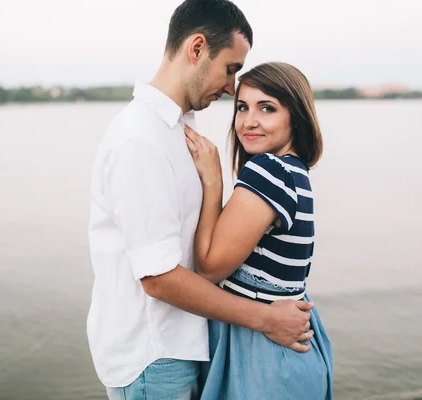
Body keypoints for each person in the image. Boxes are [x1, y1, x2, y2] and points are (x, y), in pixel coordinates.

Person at [87, 0, 316, 398]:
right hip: (154, 355)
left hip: (186, 341)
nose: (231, 88)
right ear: (196, 49)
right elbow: (158, 279)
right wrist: (266, 319)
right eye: (230, 69)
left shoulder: (178, 130)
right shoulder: (140, 140)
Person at [183, 62, 334, 399]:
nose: (249, 121)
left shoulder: (269, 171)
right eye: (242, 107)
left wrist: (212, 181)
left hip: (265, 358)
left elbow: (208, 267)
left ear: (295, 116)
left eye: (267, 108)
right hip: (288, 353)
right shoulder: (296, 173)